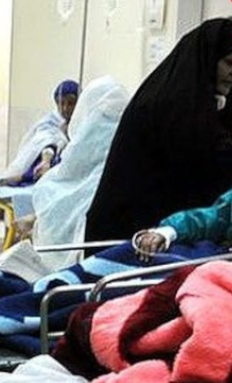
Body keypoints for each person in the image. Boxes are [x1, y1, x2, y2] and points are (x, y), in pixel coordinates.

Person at [85, 18, 232, 243]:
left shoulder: (212, 109)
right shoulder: (166, 110)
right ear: (208, 60)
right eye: (229, 63)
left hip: (182, 235)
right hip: (137, 234)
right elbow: (195, 177)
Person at [31, 77, 131, 270]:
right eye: (61, 103)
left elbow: (71, 168)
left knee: (48, 190)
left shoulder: (94, 125)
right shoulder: (130, 126)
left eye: (71, 102)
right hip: (120, 206)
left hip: (90, 200)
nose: (65, 108)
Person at [0, 79, 78, 187]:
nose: (65, 108)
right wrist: (46, 161)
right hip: (48, 161)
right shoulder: (51, 121)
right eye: (61, 103)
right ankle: (25, 176)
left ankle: (24, 177)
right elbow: (48, 142)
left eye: (70, 104)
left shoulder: (83, 123)